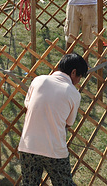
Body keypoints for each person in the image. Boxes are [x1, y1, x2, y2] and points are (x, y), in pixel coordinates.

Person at [18, 53, 88, 186]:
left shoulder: (38, 80)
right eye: (80, 76)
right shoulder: (73, 93)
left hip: (28, 146)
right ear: (74, 72)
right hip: (54, 150)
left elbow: (28, 105)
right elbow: (69, 123)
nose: (79, 80)